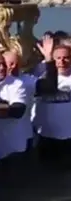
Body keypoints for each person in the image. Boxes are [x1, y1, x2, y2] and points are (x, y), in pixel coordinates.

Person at [34, 39, 71, 170]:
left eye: (66, 58)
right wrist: (48, 60)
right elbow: (49, 87)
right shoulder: (42, 77)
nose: (62, 61)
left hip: (68, 137)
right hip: (47, 136)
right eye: (58, 58)